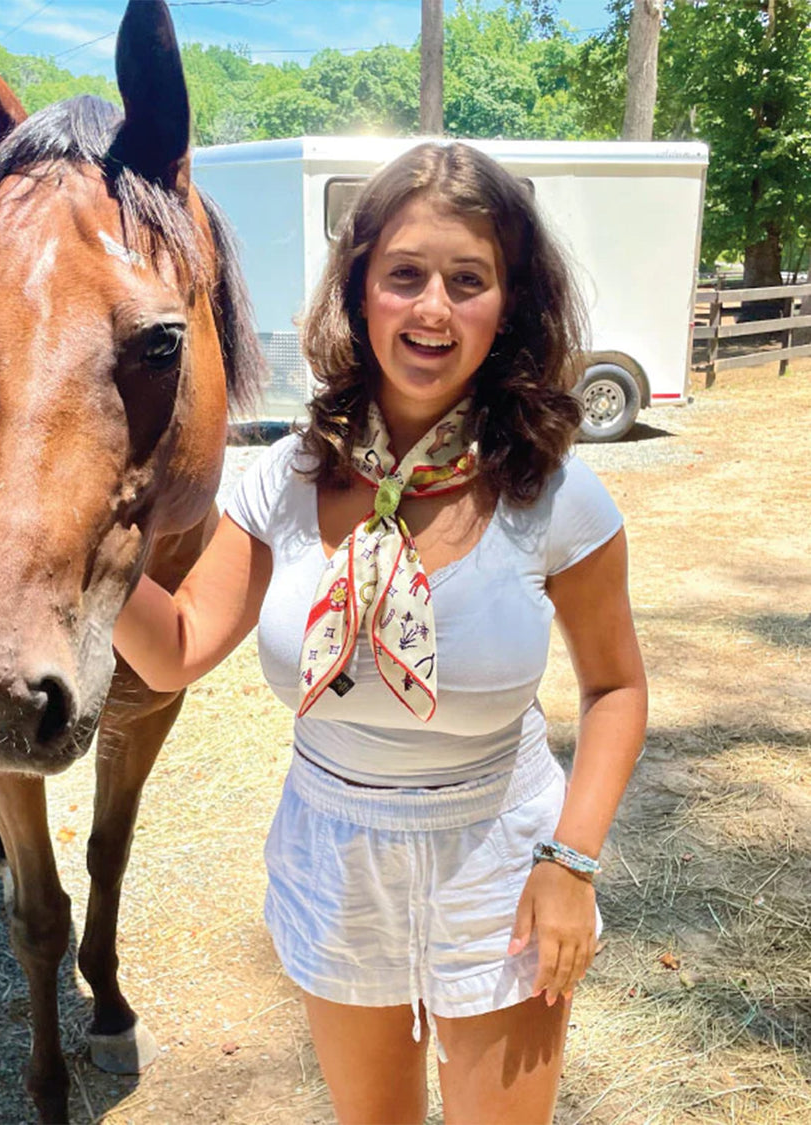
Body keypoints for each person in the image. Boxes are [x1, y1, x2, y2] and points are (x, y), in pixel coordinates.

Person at [113, 141, 647, 1125]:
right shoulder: (284, 482)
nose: (433, 308)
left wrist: (571, 861)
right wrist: (82, 552)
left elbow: (616, 690)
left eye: (468, 279)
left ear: (510, 302)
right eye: (404, 275)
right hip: (336, 850)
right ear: (359, 292)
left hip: (501, 853)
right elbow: (177, 646)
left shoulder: (557, 495)